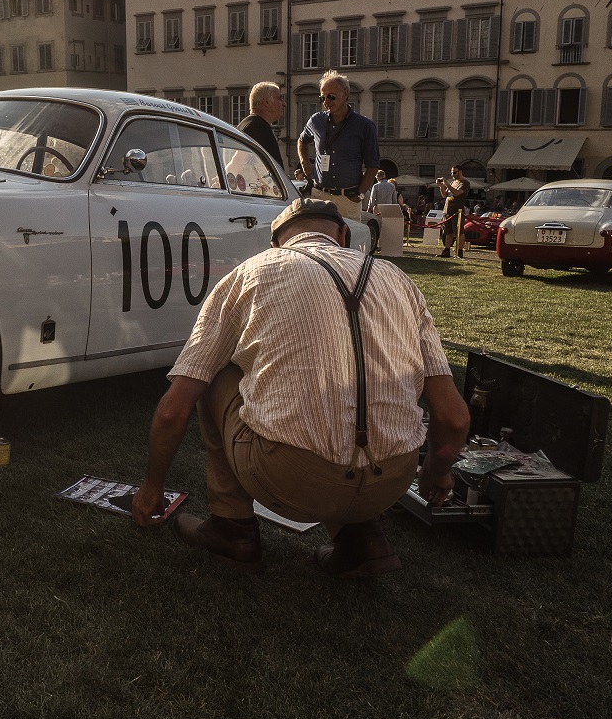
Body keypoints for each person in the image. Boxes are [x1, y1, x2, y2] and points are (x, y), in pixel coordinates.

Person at [131, 198, 470, 577]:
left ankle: (232, 528)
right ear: (343, 235)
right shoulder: (399, 280)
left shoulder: (252, 272)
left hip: (291, 478)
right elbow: (454, 419)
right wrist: (437, 472)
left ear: (275, 243)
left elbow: (174, 407)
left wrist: (152, 487)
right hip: (392, 480)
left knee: (210, 375)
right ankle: (363, 539)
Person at [296, 70, 380, 218]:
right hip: (319, 195)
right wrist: (306, 163)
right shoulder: (316, 121)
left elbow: (373, 165)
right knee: (319, 240)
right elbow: (302, 140)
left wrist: (359, 196)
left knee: (348, 241)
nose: (326, 102)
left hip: (347, 199)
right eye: (322, 97)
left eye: (331, 96)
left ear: (346, 93)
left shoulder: (364, 126)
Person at [237, 82, 285, 166]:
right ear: (267, 101)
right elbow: (236, 163)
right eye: (280, 98)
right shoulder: (255, 128)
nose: (284, 103)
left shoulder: (254, 125)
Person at [436, 165, 469, 258]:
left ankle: (459, 251)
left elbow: (457, 193)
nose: (452, 174)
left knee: (459, 232)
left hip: (457, 211)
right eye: (451, 172)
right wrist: (441, 186)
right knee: (448, 232)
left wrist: (447, 184)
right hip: (448, 211)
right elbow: (444, 195)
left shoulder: (465, 183)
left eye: (454, 172)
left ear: (460, 172)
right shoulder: (453, 182)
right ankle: (446, 250)